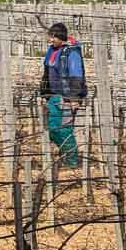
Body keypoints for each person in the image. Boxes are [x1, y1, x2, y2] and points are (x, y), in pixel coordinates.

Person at [40, 23, 87, 168]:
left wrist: (74, 98)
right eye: (50, 37)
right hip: (53, 96)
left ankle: (72, 162)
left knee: (65, 130)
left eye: (53, 37)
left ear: (60, 37)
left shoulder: (71, 52)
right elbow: (47, 73)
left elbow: (76, 76)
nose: (51, 40)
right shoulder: (52, 51)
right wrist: (44, 93)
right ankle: (66, 155)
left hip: (67, 98)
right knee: (53, 130)